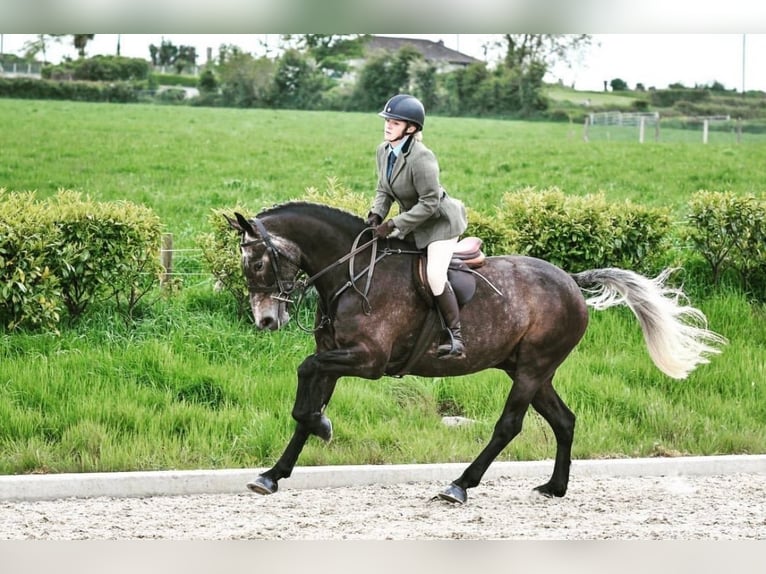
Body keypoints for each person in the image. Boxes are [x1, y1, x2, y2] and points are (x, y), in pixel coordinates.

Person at [365, 94, 468, 358]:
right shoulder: (383, 150)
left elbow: (431, 202)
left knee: (434, 274)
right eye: (387, 120)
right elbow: (383, 189)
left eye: (395, 122)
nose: (388, 125)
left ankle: (455, 337)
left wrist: (394, 224)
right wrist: (376, 215)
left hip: (439, 224)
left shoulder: (422, 157)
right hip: (415, 223)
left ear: (411, 129)